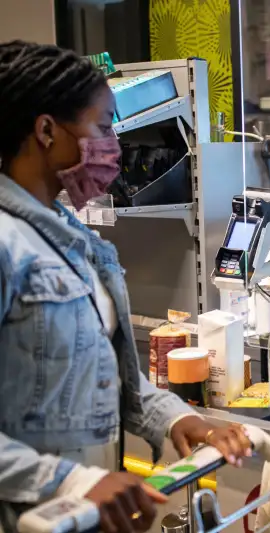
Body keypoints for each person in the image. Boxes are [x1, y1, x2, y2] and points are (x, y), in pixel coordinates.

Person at [0, 41, 250, 533]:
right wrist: (67, 481)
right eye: (103, 125)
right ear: (47, 130)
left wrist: (178, 420)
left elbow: (112, 382)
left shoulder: (72, 240)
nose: (114, 144)